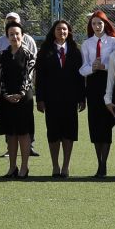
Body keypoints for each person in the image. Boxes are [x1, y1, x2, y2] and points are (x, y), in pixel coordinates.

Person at [35, 19, 82, 179]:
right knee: (54, 133)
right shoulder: (45, 51)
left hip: (70, 99)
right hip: (51, 99)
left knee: (69, 133)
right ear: (53, 32)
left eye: (64, 29)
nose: (61, 32)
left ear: (69, 32)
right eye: (58, 29)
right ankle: (55, 165)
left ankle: (66, 166)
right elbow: (39, 77)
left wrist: (82, 98)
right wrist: (39, 99)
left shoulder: (75, 51)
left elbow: (80, 77)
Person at [77, 12, 115, 178]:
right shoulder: (87, 44)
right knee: (95, 125)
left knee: (106, 125)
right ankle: (99, 162)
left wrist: (105, 66)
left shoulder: (114, 41)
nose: (97, 26)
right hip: (93, 86)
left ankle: (104, 164)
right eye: (94, 23)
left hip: (109, 84)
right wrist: (92, 68)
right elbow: (82, 68)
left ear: (105, 24)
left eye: (100, 23)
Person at [0, 20, 36, 178]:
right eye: (11, 34)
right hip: (6, 99)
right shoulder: (1, 55)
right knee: (10, 134)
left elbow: (29, 76)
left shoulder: (29, 55)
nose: (14, 37)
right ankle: (12, 167)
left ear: (22, 36)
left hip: (24, 99)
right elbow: (0, 78)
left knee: (23, 133)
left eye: (17, 34)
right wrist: (5, 94)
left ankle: (24, 168)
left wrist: (20, 94)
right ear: (7, 36)